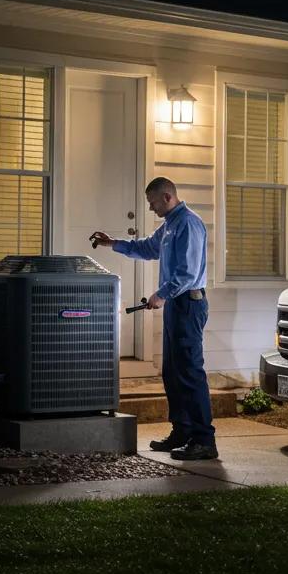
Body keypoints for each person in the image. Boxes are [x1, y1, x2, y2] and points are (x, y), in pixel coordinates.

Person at [90, 177, 217, 460]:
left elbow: (187, 272)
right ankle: (182, 431)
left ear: (167, 197)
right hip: (176, 305)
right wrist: (114, 244)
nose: (151, 208)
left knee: (189, 371)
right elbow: (148, 248)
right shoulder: (170, 225)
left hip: (189, 304)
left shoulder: (189, 224)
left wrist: (161, 294)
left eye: (153, 203)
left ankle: (204, 439)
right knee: (172, 372)